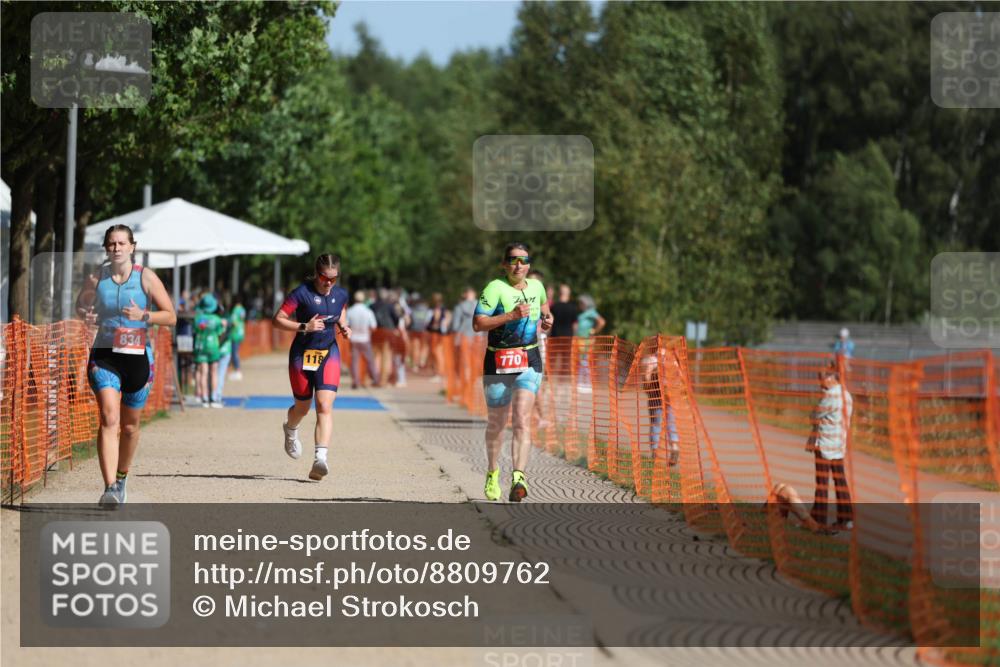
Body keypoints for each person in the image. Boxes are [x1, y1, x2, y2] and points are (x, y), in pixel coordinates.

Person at [75, 224, 176, 506]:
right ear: (106, 248)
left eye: (121, 243)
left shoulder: (146, 278)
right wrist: (86, 312)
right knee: (109, 417)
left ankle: (121, 478)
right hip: (105, 355)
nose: (116, 248)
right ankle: (109, 488)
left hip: (138, 357)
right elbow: (80, 306)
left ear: (132, 246)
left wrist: (144, 315)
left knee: (130, 427)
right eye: (111, 244)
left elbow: (171, 317)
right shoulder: (96, 279)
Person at [473, 242, 553, 502]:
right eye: (512, 260)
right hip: (498, 360)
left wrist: (548, 319)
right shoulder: (495, 288)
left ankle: (519, 476)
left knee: (521, 418)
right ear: (504, 264)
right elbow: (478, 323)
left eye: (523, 260)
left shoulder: (538, 287)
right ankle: (493, 471)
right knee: (496, 423)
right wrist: (510, 315)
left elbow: (545, 310)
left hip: (529, 358)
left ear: (529, 264)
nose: (518, 265)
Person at [272, 254, 352, 481]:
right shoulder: (301, 293)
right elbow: (277, 319)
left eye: (334, 279)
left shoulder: (341, 294)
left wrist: (343, 326)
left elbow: (341, 310)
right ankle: (290, 429)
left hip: (329, 352)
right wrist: (303, 326)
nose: (329, 283)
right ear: (316, 274)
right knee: (302, 408)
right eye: (324, 278)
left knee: (324, 405)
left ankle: (320, 459)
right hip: (302, 354)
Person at [807, 365, 854, 528]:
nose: (819, 382)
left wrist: (814, 415)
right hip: (839, 444)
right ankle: (847, 518)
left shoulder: (830, 396)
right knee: (840, 480)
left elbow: (814, 415)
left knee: (822, 483)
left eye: (821, 378)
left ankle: (819, 519)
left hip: (825, 444)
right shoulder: (847, 395)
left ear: (830, 378)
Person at [640, 348, 680, 465]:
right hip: (671, 397)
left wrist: (647, 389)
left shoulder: (652, 360)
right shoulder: (672, 361)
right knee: (671, 422)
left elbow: (647, 376)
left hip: (655, 396)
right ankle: (674, 445)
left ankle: (655, 451)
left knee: (655, 424)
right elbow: (679, 378)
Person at [193, 293, 226, 408]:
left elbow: (194, 330)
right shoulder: (217, 319)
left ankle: (204, 398)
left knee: (203, 372)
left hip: (200, 347)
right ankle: (213, 398)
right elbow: (221, 333)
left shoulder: (198, 319)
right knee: (214, 372)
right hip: (213, 347)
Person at [764, 483, 836, 535]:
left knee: (781, 486)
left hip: (768, 514)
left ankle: (812, 524)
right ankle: (813, 526)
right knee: (787, 491)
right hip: (769, 520)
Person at [346, 290, 379, 389]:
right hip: (365, 338)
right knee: (370, 360)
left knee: (354, 361)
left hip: (354, 339)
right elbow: (373, 326)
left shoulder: (350, 311)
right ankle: (375, 379)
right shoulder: (368, 311)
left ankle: (355, 380)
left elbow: (346, 325)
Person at [575, 294, 605, 391]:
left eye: (581, 303)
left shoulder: (592, 312)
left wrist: (594, 331)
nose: (580, 305)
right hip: (580, 339)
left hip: (587, 340)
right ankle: (581, 383)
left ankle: (588, 384)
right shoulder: (583, 313)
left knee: (585, 361)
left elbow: (602, 322)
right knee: (582, 361)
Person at [228, 296, 246, 381]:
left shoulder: (235, 310)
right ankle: (237, 370)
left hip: (235, 333)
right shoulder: (242, 309)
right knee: (236, 352)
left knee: (234, 353)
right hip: (241, 332)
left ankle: (237, 371)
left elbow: (233, 321)